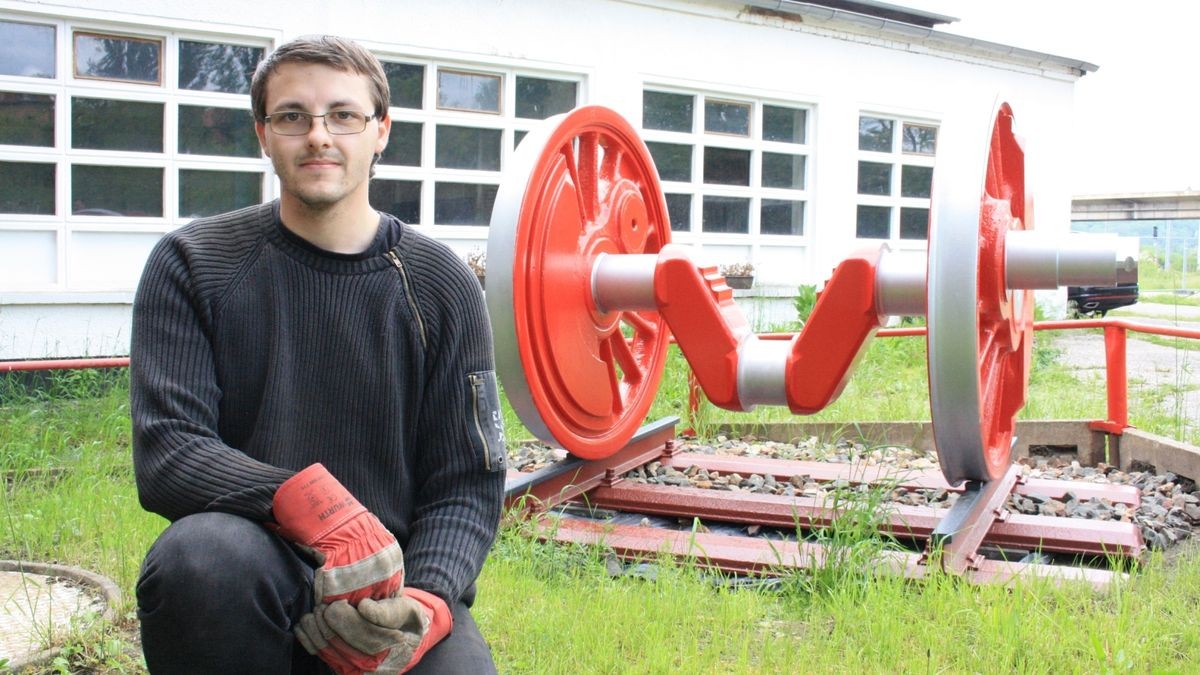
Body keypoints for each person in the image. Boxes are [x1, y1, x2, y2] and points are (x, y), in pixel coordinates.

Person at [130, 34, 507, 674]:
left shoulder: (441, 283)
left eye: (343, 115)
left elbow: (466, 483)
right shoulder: (194, 264)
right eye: (293, 117)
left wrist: (428, 601)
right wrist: (311, 506)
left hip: (393, 585)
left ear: (381, 130)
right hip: (254, 572)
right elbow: (170, 450)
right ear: (263, 132)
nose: (319, 136)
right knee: (199, 558)